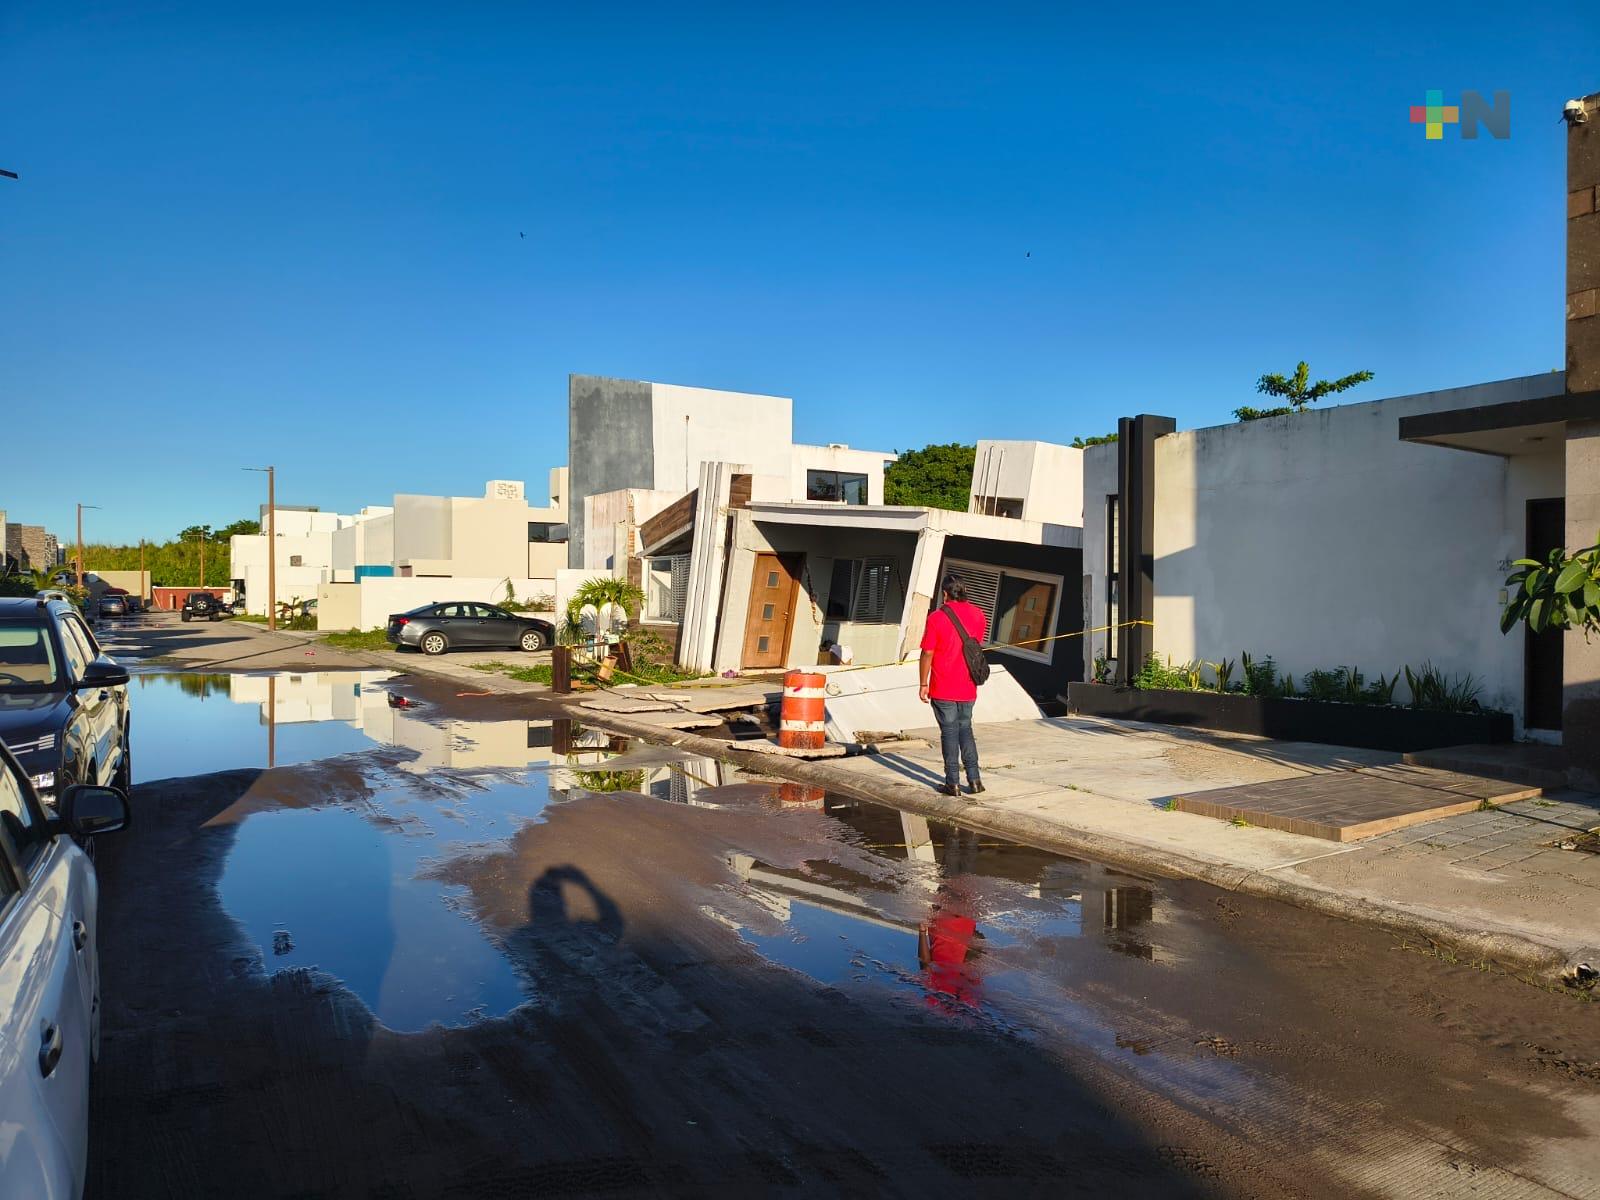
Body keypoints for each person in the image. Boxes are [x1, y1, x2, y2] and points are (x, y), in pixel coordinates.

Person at [918, 574, 986, 797]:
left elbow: (928, 652)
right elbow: (975, 646)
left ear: (945, 594)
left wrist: (923, 683)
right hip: (968, 686)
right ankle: (975, 781)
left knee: (949, 732)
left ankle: (952, 783)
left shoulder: (936, 617)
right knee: (965, 729)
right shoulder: (978, 614)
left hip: (943, 685)